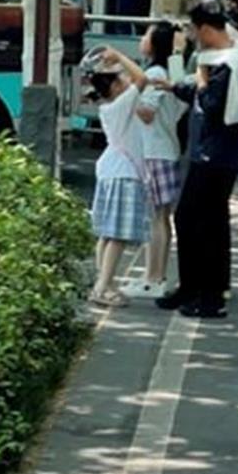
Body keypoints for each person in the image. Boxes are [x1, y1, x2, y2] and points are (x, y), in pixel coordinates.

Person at [155, 0, 238, 320]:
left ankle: (209, 295)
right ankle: (194, 286)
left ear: (207, 30)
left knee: (204, 223)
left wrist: (199, 74)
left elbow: (210, 102)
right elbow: (197, 94)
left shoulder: (228, 62)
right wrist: (175, 85)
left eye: (195, 32)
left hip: (217, 154)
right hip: (206, 150)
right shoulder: (218, 59)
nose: (194, 38)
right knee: (195, 219)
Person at [84, 48, 152, 308]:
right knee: (117, 236)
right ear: (113, 86)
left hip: (112, 170)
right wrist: (120, 56)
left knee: (106, 234)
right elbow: (142, 79)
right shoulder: (121, 104)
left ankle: (105, 283)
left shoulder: (110, 107)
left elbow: (137, 80)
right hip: (124, 173)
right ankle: (102, 287)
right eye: (120, 78)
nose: (126, 80)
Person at [136, 20, 186, 297]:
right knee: (162, 217)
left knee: (154, 217)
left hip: (154, 150)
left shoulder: (154, 73)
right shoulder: (174, 72)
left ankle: (152, 277)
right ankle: (158, 276)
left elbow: (146, 112)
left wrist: (128, 98)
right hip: (168, 147)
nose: (142, 39)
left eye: (147, 35)